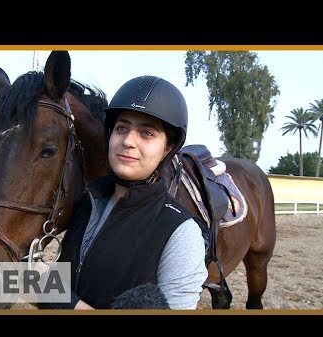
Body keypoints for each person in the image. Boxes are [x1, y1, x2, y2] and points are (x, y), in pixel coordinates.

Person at [39, 75, 209, 310]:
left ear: (167, 148)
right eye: (122, 128)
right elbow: (27, 285)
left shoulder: (181, 233)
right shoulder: (88, 203)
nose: (128, 140)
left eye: (147, 133)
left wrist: (64, 302)